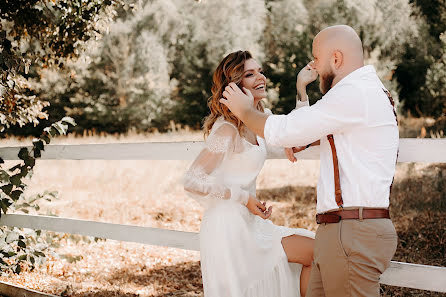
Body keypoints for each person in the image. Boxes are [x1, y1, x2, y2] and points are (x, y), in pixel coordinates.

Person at [220, 25, 399, 297]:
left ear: (336, 59)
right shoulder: (366, 92)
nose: (312, 63)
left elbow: (286, 131)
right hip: (344, 231)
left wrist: (244, 110)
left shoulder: (354, 93)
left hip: (351, 232)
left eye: (316, 56)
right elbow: (306, 132)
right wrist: (301, 93)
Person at [183, 50, 315, 297]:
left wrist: (301, 88)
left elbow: (296, 131)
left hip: (252, 223)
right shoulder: (227, 130)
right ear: (234, 86)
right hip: (229, 229)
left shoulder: (258, 121)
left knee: (316, 252)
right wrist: (244, 198)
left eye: (260, 72)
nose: (260, 78)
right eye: (250, 74)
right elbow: (192, 180)